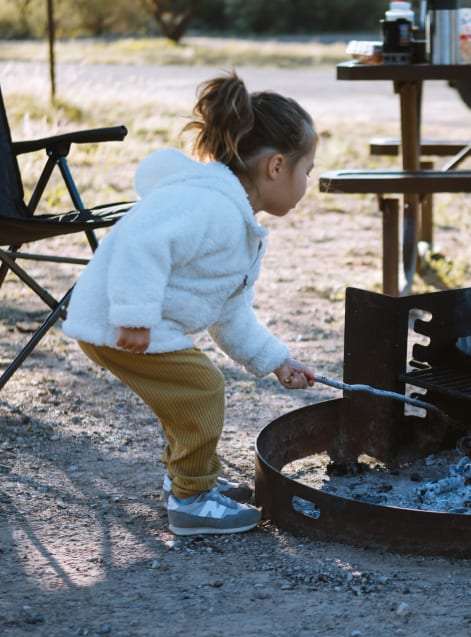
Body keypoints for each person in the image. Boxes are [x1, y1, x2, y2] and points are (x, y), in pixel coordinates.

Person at [61, 71, 318, 535]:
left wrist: (277, 361)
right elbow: (140, 241)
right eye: (308, 170)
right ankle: (191, 501)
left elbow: (230, 315)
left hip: (136, 321)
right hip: (121, 322)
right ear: (276, 167)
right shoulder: (210, 205)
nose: (308, 181)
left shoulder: (238, 224)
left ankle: (190, 481)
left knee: (190, 395)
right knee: (202, 388)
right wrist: (134, 316)